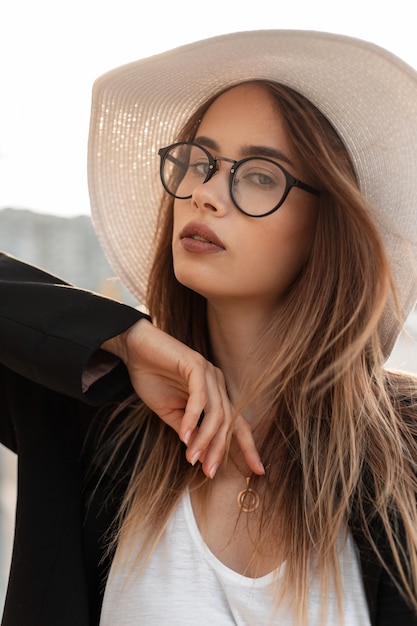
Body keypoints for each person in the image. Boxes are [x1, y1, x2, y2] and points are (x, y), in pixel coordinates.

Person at [1, 29, 417, 626]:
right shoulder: (94, 412)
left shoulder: (403, 447)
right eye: (199, 161)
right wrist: (122, 337)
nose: (204, 194)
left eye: (260, 176)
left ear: (328, 228)